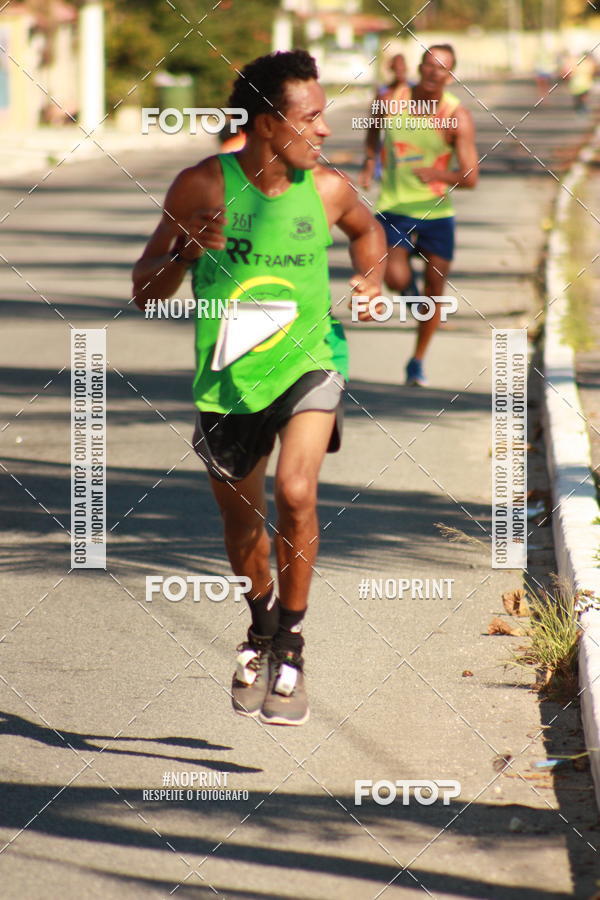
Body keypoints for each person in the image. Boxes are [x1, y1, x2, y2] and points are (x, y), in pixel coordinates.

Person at [132, 50, 385, 726]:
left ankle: (293, 648)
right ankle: (261, 628)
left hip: (310, 364)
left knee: (296, 493)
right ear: (269, 123)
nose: (326, 129)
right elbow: (145, 291)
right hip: (228, 379)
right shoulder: (201, 187)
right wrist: (184, 253)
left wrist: (372, 280)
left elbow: (368, 232)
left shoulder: (328, 189)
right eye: (313, 117)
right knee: (242, 525)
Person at [360, 44, 478, 387]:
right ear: (420, 66)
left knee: (435, 291)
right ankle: (412, 301)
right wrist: (370, 160)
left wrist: (439, 175)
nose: (434, 73)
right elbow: (372, 128)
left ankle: (417, 361)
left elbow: (470, 178)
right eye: (429, 65)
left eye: (442, 69)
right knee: (394, 276)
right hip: (394, 207)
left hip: (438, 213)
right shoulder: (389, 100)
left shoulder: (457, 116)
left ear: (451, 75)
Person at [361, 53, 409, 183]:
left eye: (402, 68)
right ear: (391, 69)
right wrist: (369, 163)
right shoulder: (384, 94)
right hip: (389, 156)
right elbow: (374, 128)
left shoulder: (415, 92)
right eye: (396, 68)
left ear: (406, 68)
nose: (399, 72)